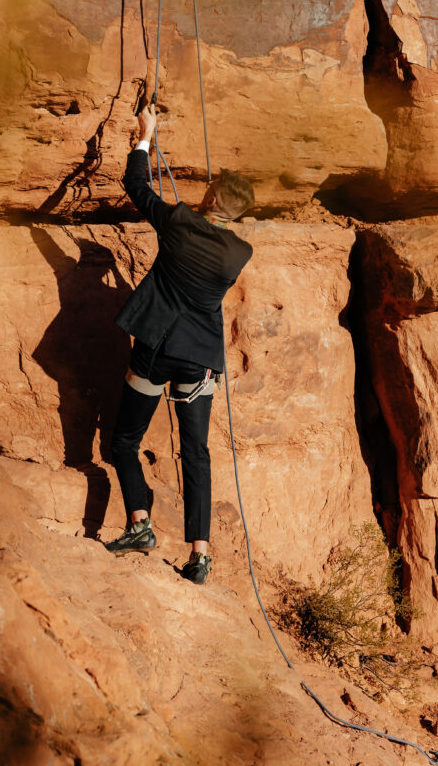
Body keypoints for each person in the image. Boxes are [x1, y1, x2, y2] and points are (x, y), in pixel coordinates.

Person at [107, 102, 254, 584]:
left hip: (157, 347)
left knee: (124, 441)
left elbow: (137, 187)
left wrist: (145, 136)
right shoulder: (240, 252)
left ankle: (139, 524)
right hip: (201, 362)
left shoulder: (179, 222)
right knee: (196, 453)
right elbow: (208, 230)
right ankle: (200, 555)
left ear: (211, 195)